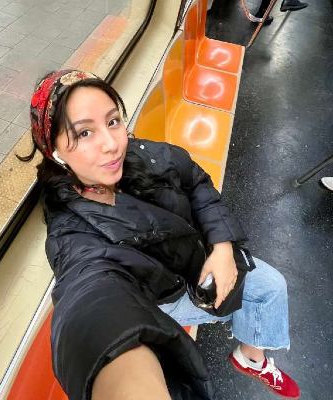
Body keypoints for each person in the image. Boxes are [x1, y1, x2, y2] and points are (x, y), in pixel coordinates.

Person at [20, 69, 301, 400]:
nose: (111, 144)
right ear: (54, 150)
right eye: (84, 133)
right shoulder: (74, 233)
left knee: (271, 287)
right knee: (263, 293)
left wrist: (222, 247)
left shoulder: (141, 155)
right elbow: (89, 296)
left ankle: (250, 357)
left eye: (113, 121)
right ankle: (247, 346)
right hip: (167, 296)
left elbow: (194, 180)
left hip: (199, 255)